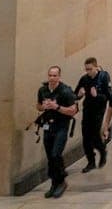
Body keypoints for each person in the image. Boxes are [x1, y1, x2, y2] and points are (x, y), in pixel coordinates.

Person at [35, 65, 79, 198]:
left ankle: (61, 180)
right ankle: (54, 182)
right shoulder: (43, 90)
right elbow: (38, 105)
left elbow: (74, 110)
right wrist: (43, 107)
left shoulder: (65, 91)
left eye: (55, 76)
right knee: (50, 157)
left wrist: (57, 107)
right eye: (50, 75)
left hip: (61, 126)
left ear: (59, 76)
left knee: (56, 154)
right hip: (48, 126)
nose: (52, 78)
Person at [74, 57, 111, 173]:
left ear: (96, 67)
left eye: (90, 69)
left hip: (99, 109)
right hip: (88, 109)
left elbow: (108, 96)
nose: (88, 72)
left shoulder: (103, 77)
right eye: (86, 69)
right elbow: (75, 95)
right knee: (86, 137)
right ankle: (91, 161)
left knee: (95, 135)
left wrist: (97, 95)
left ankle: (102, 151)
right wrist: (79, 95)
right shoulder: (84, 79)